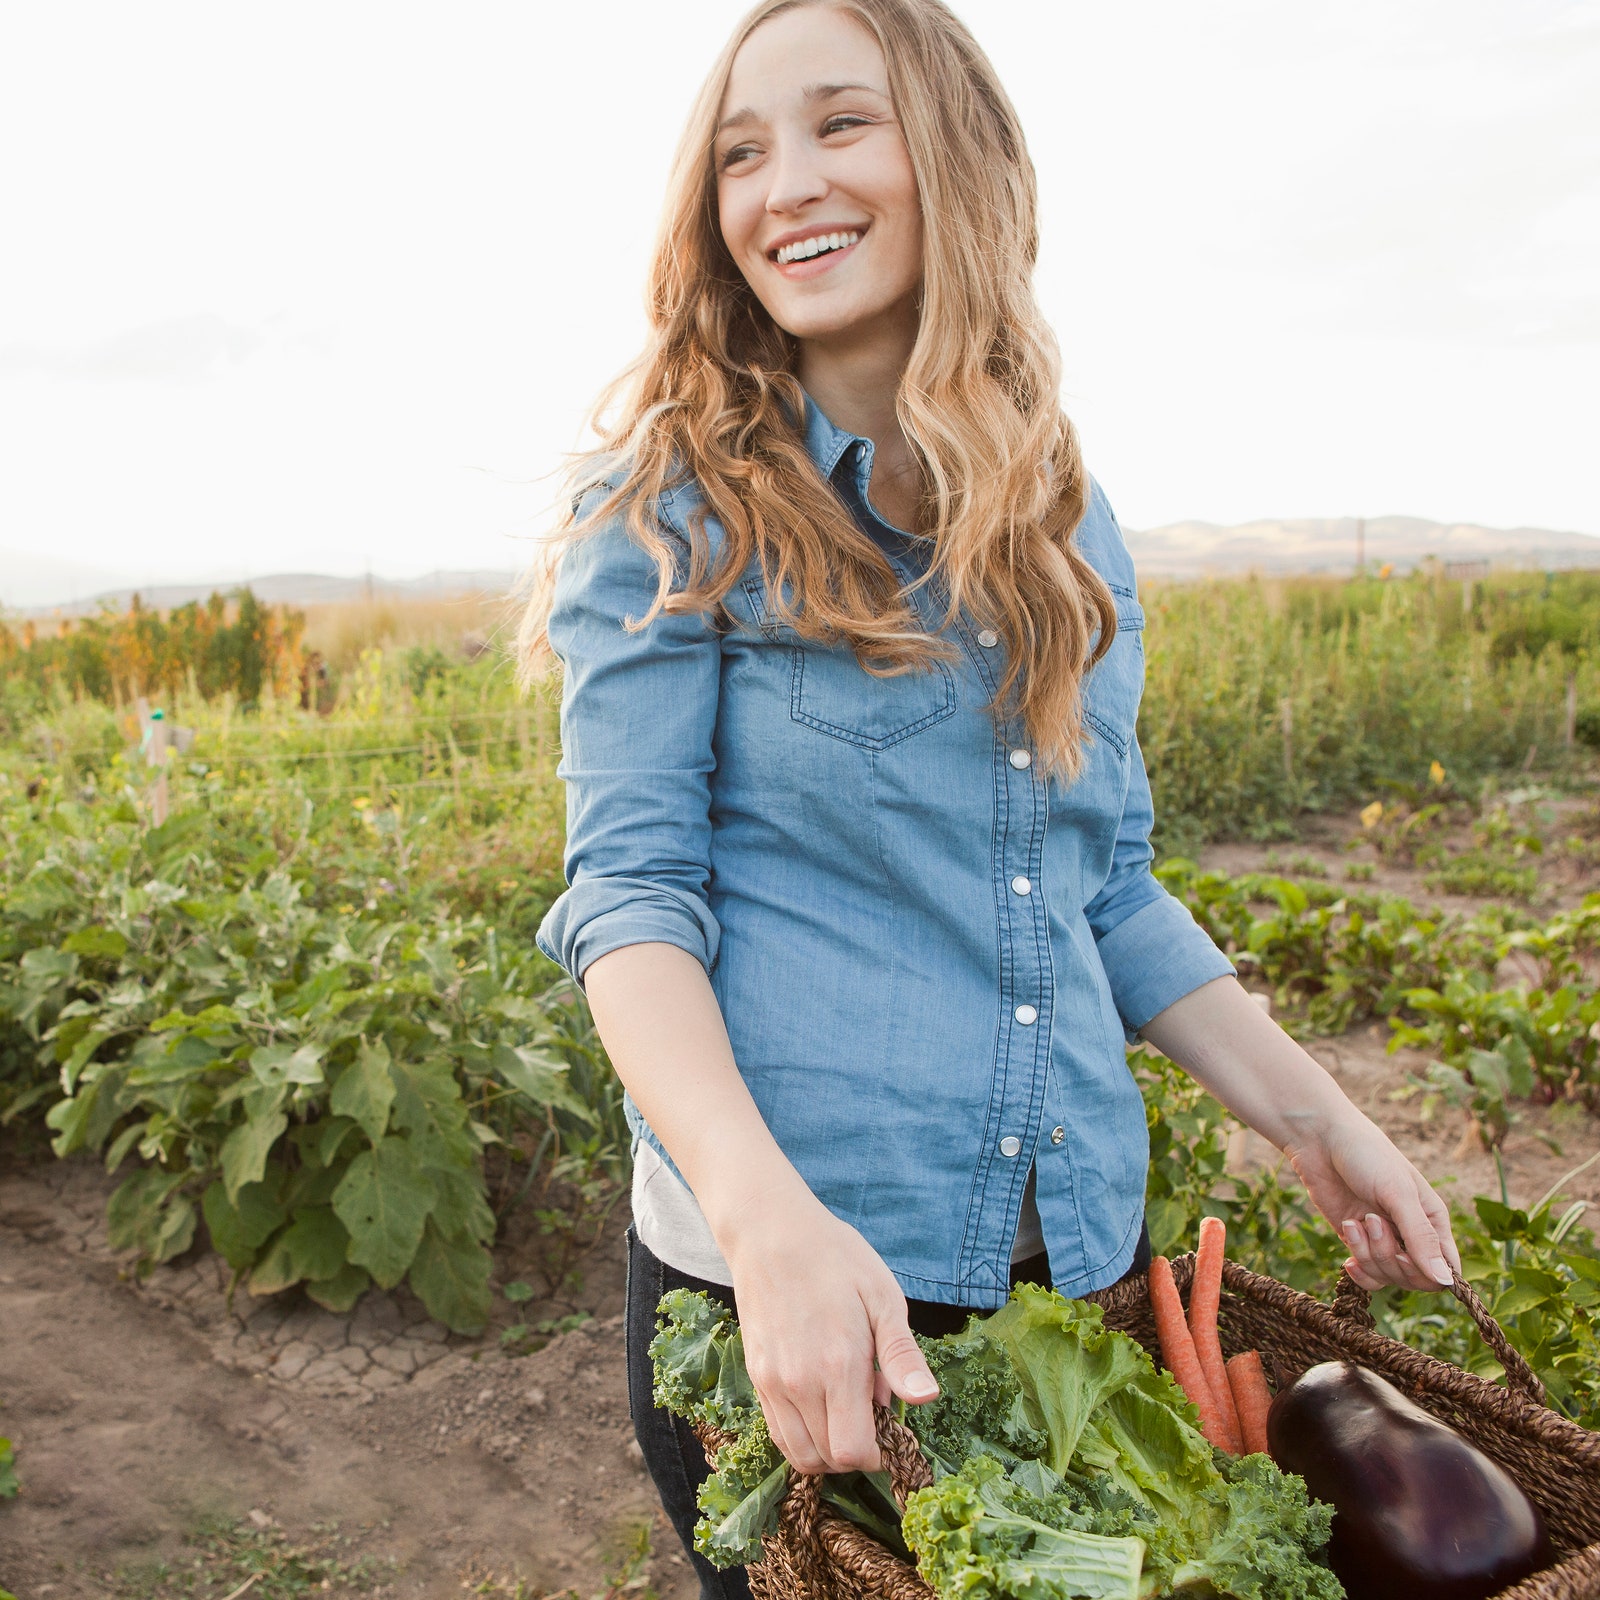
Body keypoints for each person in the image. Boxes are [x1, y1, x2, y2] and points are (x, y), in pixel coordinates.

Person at [519, 2, 1461, 1593]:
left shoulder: (1065, 524)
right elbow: (630, 902)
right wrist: (768, 1229)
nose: (783, 185)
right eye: (740, 153)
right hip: (806, 1285)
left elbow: (1106, 890)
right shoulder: (672, 509)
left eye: (840, 125)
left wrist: (1322, 1122)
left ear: (957, 161)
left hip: (1072, 1272)